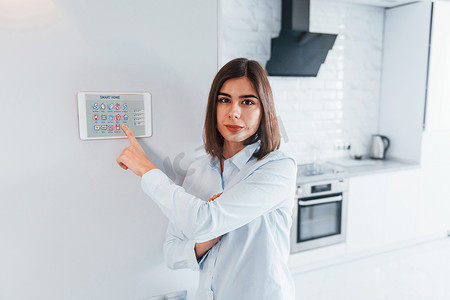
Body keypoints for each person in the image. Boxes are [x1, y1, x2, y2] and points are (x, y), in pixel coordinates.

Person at [116, 58, 297, 299]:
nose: (234, 112)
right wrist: (204, 243)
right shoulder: (199, 170)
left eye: (247, 102)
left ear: (264, 110)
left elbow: (205, 221)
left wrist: (147, 170)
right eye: (224, 100)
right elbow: (171, 253)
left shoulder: (277, 168)